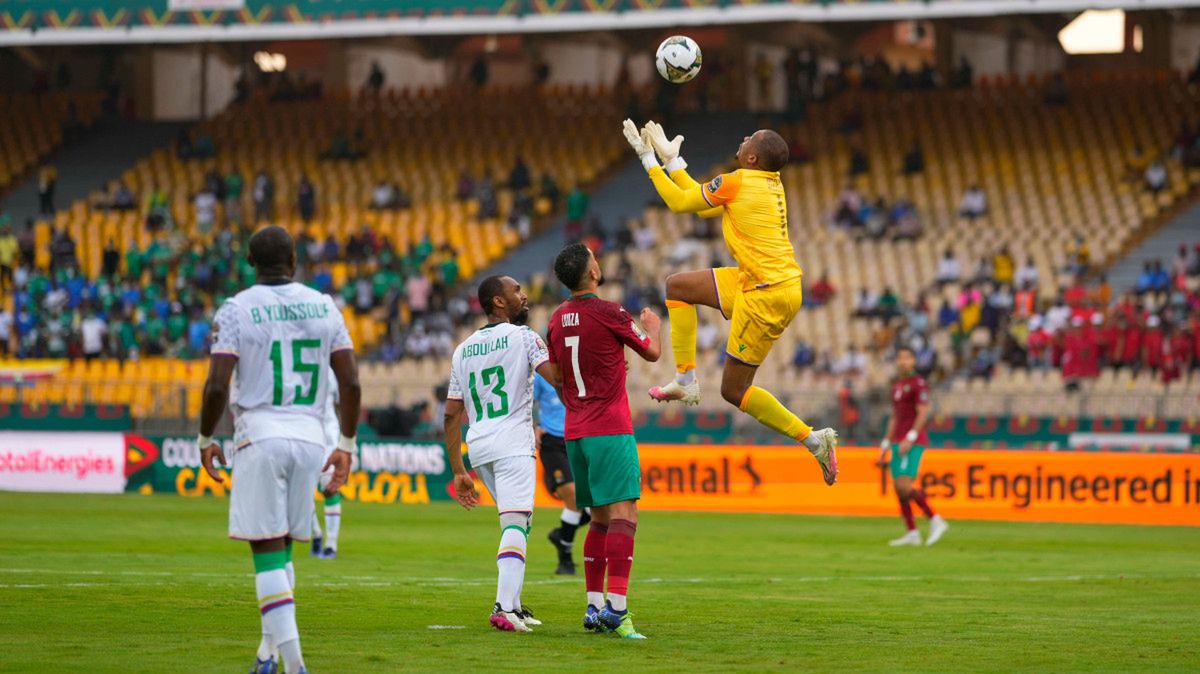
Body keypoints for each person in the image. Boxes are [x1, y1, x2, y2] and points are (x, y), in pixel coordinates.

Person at [624, 120, 839, 485]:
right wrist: (674, 161)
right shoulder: (766, 182)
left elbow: (680, 203)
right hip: (761, 280)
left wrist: (648, 158)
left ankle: (813, 439)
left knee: (733, 390)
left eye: (748, 139)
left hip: (765, 291)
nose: (741, 139)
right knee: (678, 287)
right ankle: (685, 380)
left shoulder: (739, 180)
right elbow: (705, 206)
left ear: (752, 157)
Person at [197, 225, 360, 674]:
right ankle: (267, 656)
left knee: (266, 551)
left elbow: (216, 384)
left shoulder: (237, 308)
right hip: (311, 438)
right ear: (294, 261)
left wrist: (205, 438)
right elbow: (350, 381)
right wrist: (345, 443)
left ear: (250, 262)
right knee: (284, 551)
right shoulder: (325, 306)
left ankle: (295, 665)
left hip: (260, 434)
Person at [546, 243, 662, 639]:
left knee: (597, 519)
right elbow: (651, 352)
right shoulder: (611, 311)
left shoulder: (557, 319)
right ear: (592, 273)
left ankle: (594, 607)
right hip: (609, 427)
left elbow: (560, 374)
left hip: (575, 431)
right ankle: (618, 608)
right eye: (595, 259)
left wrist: (607, 365)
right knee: (625, 515)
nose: (600, 263)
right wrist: (655, 328)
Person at [444, 275, 560, 633]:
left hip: (480, 446)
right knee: (515, 522)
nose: (524, 296)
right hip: (513, 442)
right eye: (516, 291)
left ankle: (514, 604)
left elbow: (450, 414)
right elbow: (556, 378)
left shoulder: (462, 349)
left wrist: (459, 470)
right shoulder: (525, 337)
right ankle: (502, 608)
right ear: (498, 301)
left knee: (518, 521)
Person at [878, 346, 949, 546]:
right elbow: (894, 416)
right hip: (897, 441)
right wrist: (886, 440)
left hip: (913, 441)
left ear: (914, 361)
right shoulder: (897, 386)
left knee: (904, 485)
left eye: (907, 358)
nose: (903, 362)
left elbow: (923, 412)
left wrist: (911, 436)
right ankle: (913, 533)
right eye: (900, 358)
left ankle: (935, 519)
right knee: (899, 489)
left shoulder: (919, 384)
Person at [533, 367, 589, 575]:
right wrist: (535, 424)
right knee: (574, 497)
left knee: (596, 506)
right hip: (553, 442)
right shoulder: (542, 373)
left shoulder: (579, 366)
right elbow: (529, 400)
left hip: (579, 437)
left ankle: (562, 538)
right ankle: (565, 559)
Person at [310, 368, 345, 560]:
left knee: (329, 486)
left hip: (327, 432)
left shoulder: (331, 368)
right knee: (299, 490)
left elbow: (341, 401)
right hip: (301, 430)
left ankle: (331, 544)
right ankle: (316, 533)